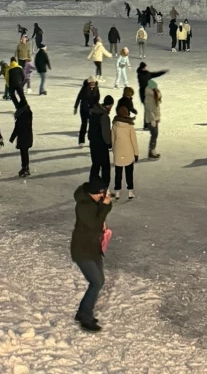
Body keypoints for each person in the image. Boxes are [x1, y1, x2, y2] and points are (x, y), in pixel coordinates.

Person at [70, 179, 112, 332]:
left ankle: (83, 312)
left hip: (93, 248)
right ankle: (84, 315)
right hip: (82, 250)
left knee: (98, 282)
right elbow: (95, 224)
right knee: (96, 282)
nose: (103, 195)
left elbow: (101, 215)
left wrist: (105, 205)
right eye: (101, 193)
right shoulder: (84, 206)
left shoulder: (93, 202)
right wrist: (105, 206)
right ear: (93, 193)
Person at [111, 105, 139, 199]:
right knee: (129, 173)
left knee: (118, 173)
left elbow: (113, 140)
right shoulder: (130, 126)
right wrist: (136, 153)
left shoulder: (115, 125)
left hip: (118, 151)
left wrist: (115, 151)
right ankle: (130, 192)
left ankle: (117, 192)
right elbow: (133, 141)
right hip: (129, 152)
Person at [89, 95, 114, 187]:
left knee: (95, 165)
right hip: (101, 144)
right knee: (105, 167)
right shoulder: (104, 116)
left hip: (93, 142)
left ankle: (92, 186)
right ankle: (104, 188)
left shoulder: (94, 112)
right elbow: (105, 132)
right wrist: (109, 143)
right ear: (110, 105)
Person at [9, 100, 33, 177]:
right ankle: (26, 167)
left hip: (23, 137)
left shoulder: (21, 116)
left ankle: (24, 168)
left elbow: (17, 128)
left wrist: (12, 138)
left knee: (23, 153)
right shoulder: (28, 113)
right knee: (25, 152)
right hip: (28, 136)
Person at [75, 77, 101, 146]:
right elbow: (78, 97)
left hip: (92, 109)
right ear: (88, 83)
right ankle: (81, 141)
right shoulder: (84, 88)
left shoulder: (96, 88)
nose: (93, 84)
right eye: (91, 83)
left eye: (94, 83)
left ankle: (91, 140)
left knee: (92, 125)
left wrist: (96, 107)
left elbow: (97, 98)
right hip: (84, 108)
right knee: (84, 124)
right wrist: (75, 107)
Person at [144, 79, 162, 158]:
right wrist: (152, 120)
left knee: (155, 134)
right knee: (154, 134)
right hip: (152, 119)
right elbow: (149, 109)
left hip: (155, 117)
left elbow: (158, 102)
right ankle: (151, 151)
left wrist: (158, 92)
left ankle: (152, 150)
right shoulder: (149, 97)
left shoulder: (154, 94)